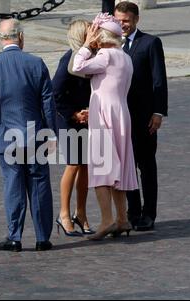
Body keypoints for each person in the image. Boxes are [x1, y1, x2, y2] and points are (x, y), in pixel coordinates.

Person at [0, 19, 57, 252]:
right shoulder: (36, 63)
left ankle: (15, 236)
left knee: (13, 185)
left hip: (6, 135)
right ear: (20, 37)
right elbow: (48, 103)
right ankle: (42, 237)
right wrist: (52, 133)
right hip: (35, 134)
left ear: (0, 39)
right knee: (39, 183)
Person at [73, 13, 138, 240]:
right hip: (121, 113)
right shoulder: (125, 56)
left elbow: (78, 67)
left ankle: (107, 220)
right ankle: (122, 218)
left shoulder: (105, 55)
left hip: (104, 115)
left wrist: (85, 45)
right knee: (118, 169)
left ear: (101, 37)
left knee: (102, 169)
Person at [115, 2, 168, 231]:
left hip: (144, 117)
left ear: (136, 19)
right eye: (118, 20)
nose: (122, 25)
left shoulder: (150, 43)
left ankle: (149, 214)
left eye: (125, 20)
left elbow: (159, 80)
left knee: (146, 166)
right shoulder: (111, 45)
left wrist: (158, 112)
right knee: (126, 166)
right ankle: (133, 211)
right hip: (121, 116)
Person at [52, 20, 95, 237]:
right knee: (73, 164)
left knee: (86, 166)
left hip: (86, 116)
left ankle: (81, 213)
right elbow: (56, 93)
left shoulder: (92, 57)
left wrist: (89, 110)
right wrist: (74, 113)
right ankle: (64, 214)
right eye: (91, 32)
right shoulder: (68, 59)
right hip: (68, 119)